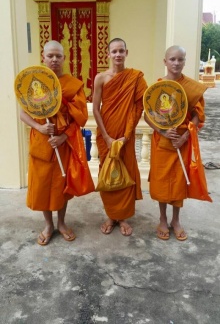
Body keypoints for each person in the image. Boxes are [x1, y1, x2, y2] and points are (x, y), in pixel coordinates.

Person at [20, 40, 94, 245]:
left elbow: (80, 118)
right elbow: (23, 114)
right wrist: (40, 128)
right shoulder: (34, 82)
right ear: (43, 57)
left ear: (64, 58)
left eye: (58, 56)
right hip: (42, 143)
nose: (54, 59)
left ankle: (61, 222)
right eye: (50, 56)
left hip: (63, 143)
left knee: (62, 185)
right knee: (43, 185)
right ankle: (48, 225)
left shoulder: (73, 84)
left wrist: (64, 135)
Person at [144, 45, 207, 241]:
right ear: (165, 61)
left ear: (185, 61)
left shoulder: (192, 87)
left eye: (180, 59)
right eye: (172, 59)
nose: (176, 63)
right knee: (162, 182)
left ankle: (176, 220)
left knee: (180, 182)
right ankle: (162, 219)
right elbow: (148, 116)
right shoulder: (158, 87)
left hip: (182, 140)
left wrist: (184, 137)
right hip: (163, 141)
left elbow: (197, 116)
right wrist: (163, 131)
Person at [93, 38, 147, 236]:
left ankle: (122, 217)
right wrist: (107, 137)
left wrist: (125, 136)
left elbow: (139, 106)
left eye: (121, 51)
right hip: (106, 134)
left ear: (126, 52)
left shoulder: (135, 77)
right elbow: (96, 109)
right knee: (106, 172)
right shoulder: (101, 78)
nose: (118, 55)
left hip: (126, 134)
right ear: (108, 54)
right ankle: (110, 215)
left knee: (126, 172)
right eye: (114, 51)